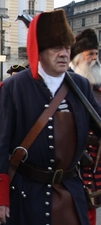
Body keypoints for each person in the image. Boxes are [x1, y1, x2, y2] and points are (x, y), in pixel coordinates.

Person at [0, 9, 101, 224]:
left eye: (67, 48)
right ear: (39, 50)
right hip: (27, 193)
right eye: (56, 48)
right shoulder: (13, 87)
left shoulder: (81, 85)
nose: (64, 54)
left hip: (71, 191)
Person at [70, 28, 101, 225]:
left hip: (96, 159)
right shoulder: (66, 85)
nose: (95, 58)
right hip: (72, 159)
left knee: (90, 208)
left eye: (97, 54)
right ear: (78, 57)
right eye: (90, 54)